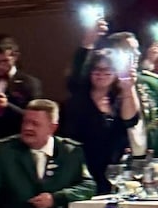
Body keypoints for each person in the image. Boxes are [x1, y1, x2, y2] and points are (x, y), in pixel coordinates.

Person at [60, 49, 141, 194]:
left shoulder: (119, 98)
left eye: (107, 69)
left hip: (114, 170)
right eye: (97, 69)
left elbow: (130, 121)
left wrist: (128, 88)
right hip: (83, 170)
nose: (101, 73)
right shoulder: (76, 102)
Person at [0, 38, 42, 144]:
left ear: (15, 57)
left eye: (4, 61)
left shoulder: (29, 83)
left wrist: (8, 106)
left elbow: (36, 117)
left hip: (17, 142)